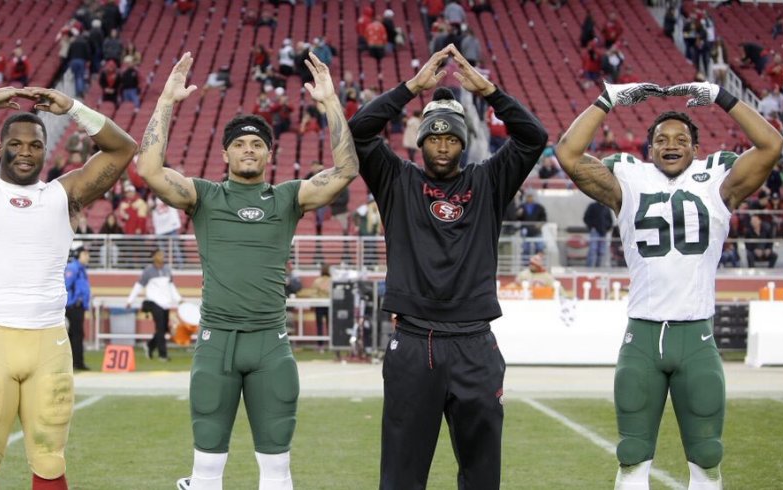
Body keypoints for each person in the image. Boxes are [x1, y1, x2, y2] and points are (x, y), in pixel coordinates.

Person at [134, 51, 358, 490]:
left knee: (277, 473)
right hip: (216, 342)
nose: (249, 149)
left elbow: (347, 169)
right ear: (225, 154)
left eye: (257, 144)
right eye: (240, 143)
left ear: (269, 155)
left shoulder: (288, 197)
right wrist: (165, 99)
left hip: (270, 343)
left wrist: (331, 102)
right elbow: (148, 168)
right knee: (206, 473)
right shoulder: (204, 196)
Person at [554, 80, 783, 489]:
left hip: (696, 335)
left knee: (708, 457)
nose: (671, 144)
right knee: (631, 457)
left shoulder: (716, 179)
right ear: (649, 149)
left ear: (697, 149)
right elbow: (567, 153)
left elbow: (771, 145)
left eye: (681, 138)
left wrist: (720, 95)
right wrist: (608, 99)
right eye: (661, 139)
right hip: (642, 335)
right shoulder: (629, 179)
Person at [0, 85, 136, 489]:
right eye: (15, 143)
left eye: (35, 144)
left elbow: (122, 149)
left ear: (46, 150)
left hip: (49, 343)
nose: (26, 150)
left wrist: (73, 108)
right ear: (0, 148)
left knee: (50, 461)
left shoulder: (64, 195)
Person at [348, 44, 547, 489]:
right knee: (401, 474)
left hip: (475, 343)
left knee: (481, 475)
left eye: (451, 138)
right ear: (420, 143)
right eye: (434, 137)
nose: (442, 146)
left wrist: (490, 91)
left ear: (463, 142)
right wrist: (414, 87)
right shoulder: (397, 180)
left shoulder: (488, 181)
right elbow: (359, 131)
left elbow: (533, 137)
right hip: (415, 342)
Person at [126, 249, 182, 361]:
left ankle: (149, 345)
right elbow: (139, 286)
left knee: (164, 329)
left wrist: (179, 299)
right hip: (154, 302)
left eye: (162, 254)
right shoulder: (148, 271)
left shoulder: (167, 270)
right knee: (160, 328)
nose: (162, 256)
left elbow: (171, 286)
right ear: (154, 257)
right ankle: (163, 355)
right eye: (159, 254)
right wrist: (130, 300)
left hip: (166, 303)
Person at [64, 242, 92, 371]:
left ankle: (77, 362)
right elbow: (66, 285)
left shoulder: (81, 269)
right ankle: (76, 362)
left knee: (77, 334)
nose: (88, 257)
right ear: (78, 254)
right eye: (85, 254)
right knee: (75, 335)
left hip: (78, 306)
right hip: (72, 307)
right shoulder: (73, 268)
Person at [583, 200, 613, 267]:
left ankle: (598, 267)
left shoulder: (606, 208)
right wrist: (592, 226)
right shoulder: (592, 206)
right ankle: (589, 268)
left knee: (601, 251)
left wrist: (607, 228)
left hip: (604, 233)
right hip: (595, 232)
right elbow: (586, 218)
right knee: (593, 250)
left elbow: (610, 221)